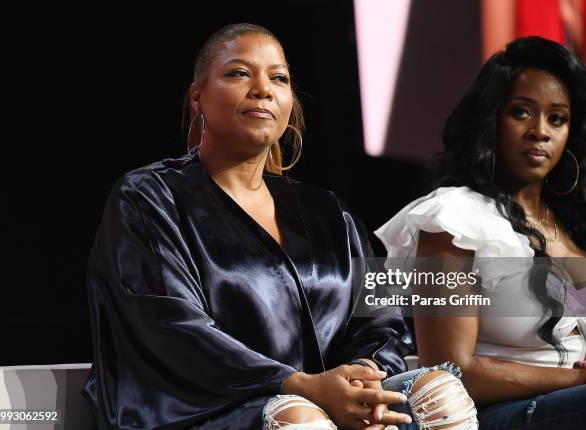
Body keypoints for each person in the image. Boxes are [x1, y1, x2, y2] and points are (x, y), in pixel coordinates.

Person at [82, 23, 477, 429]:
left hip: (328, 400)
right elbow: (172, 327)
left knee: (437, 393)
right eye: (238, 73)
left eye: (279, 78)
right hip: (201, 408)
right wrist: (300, 386)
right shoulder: (149, 197)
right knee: (298, 420)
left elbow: (380, 317)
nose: (262, 88)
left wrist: (360, 375)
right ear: (197, 97)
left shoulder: (327, 211)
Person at [376, 36, 586, 429]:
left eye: (557, 118)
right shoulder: (452, 218)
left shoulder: (573, 225)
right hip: (496, 416)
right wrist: (583, 379)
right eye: (521, 112)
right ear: (491, 119)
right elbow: (447, 368)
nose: (540, 131)